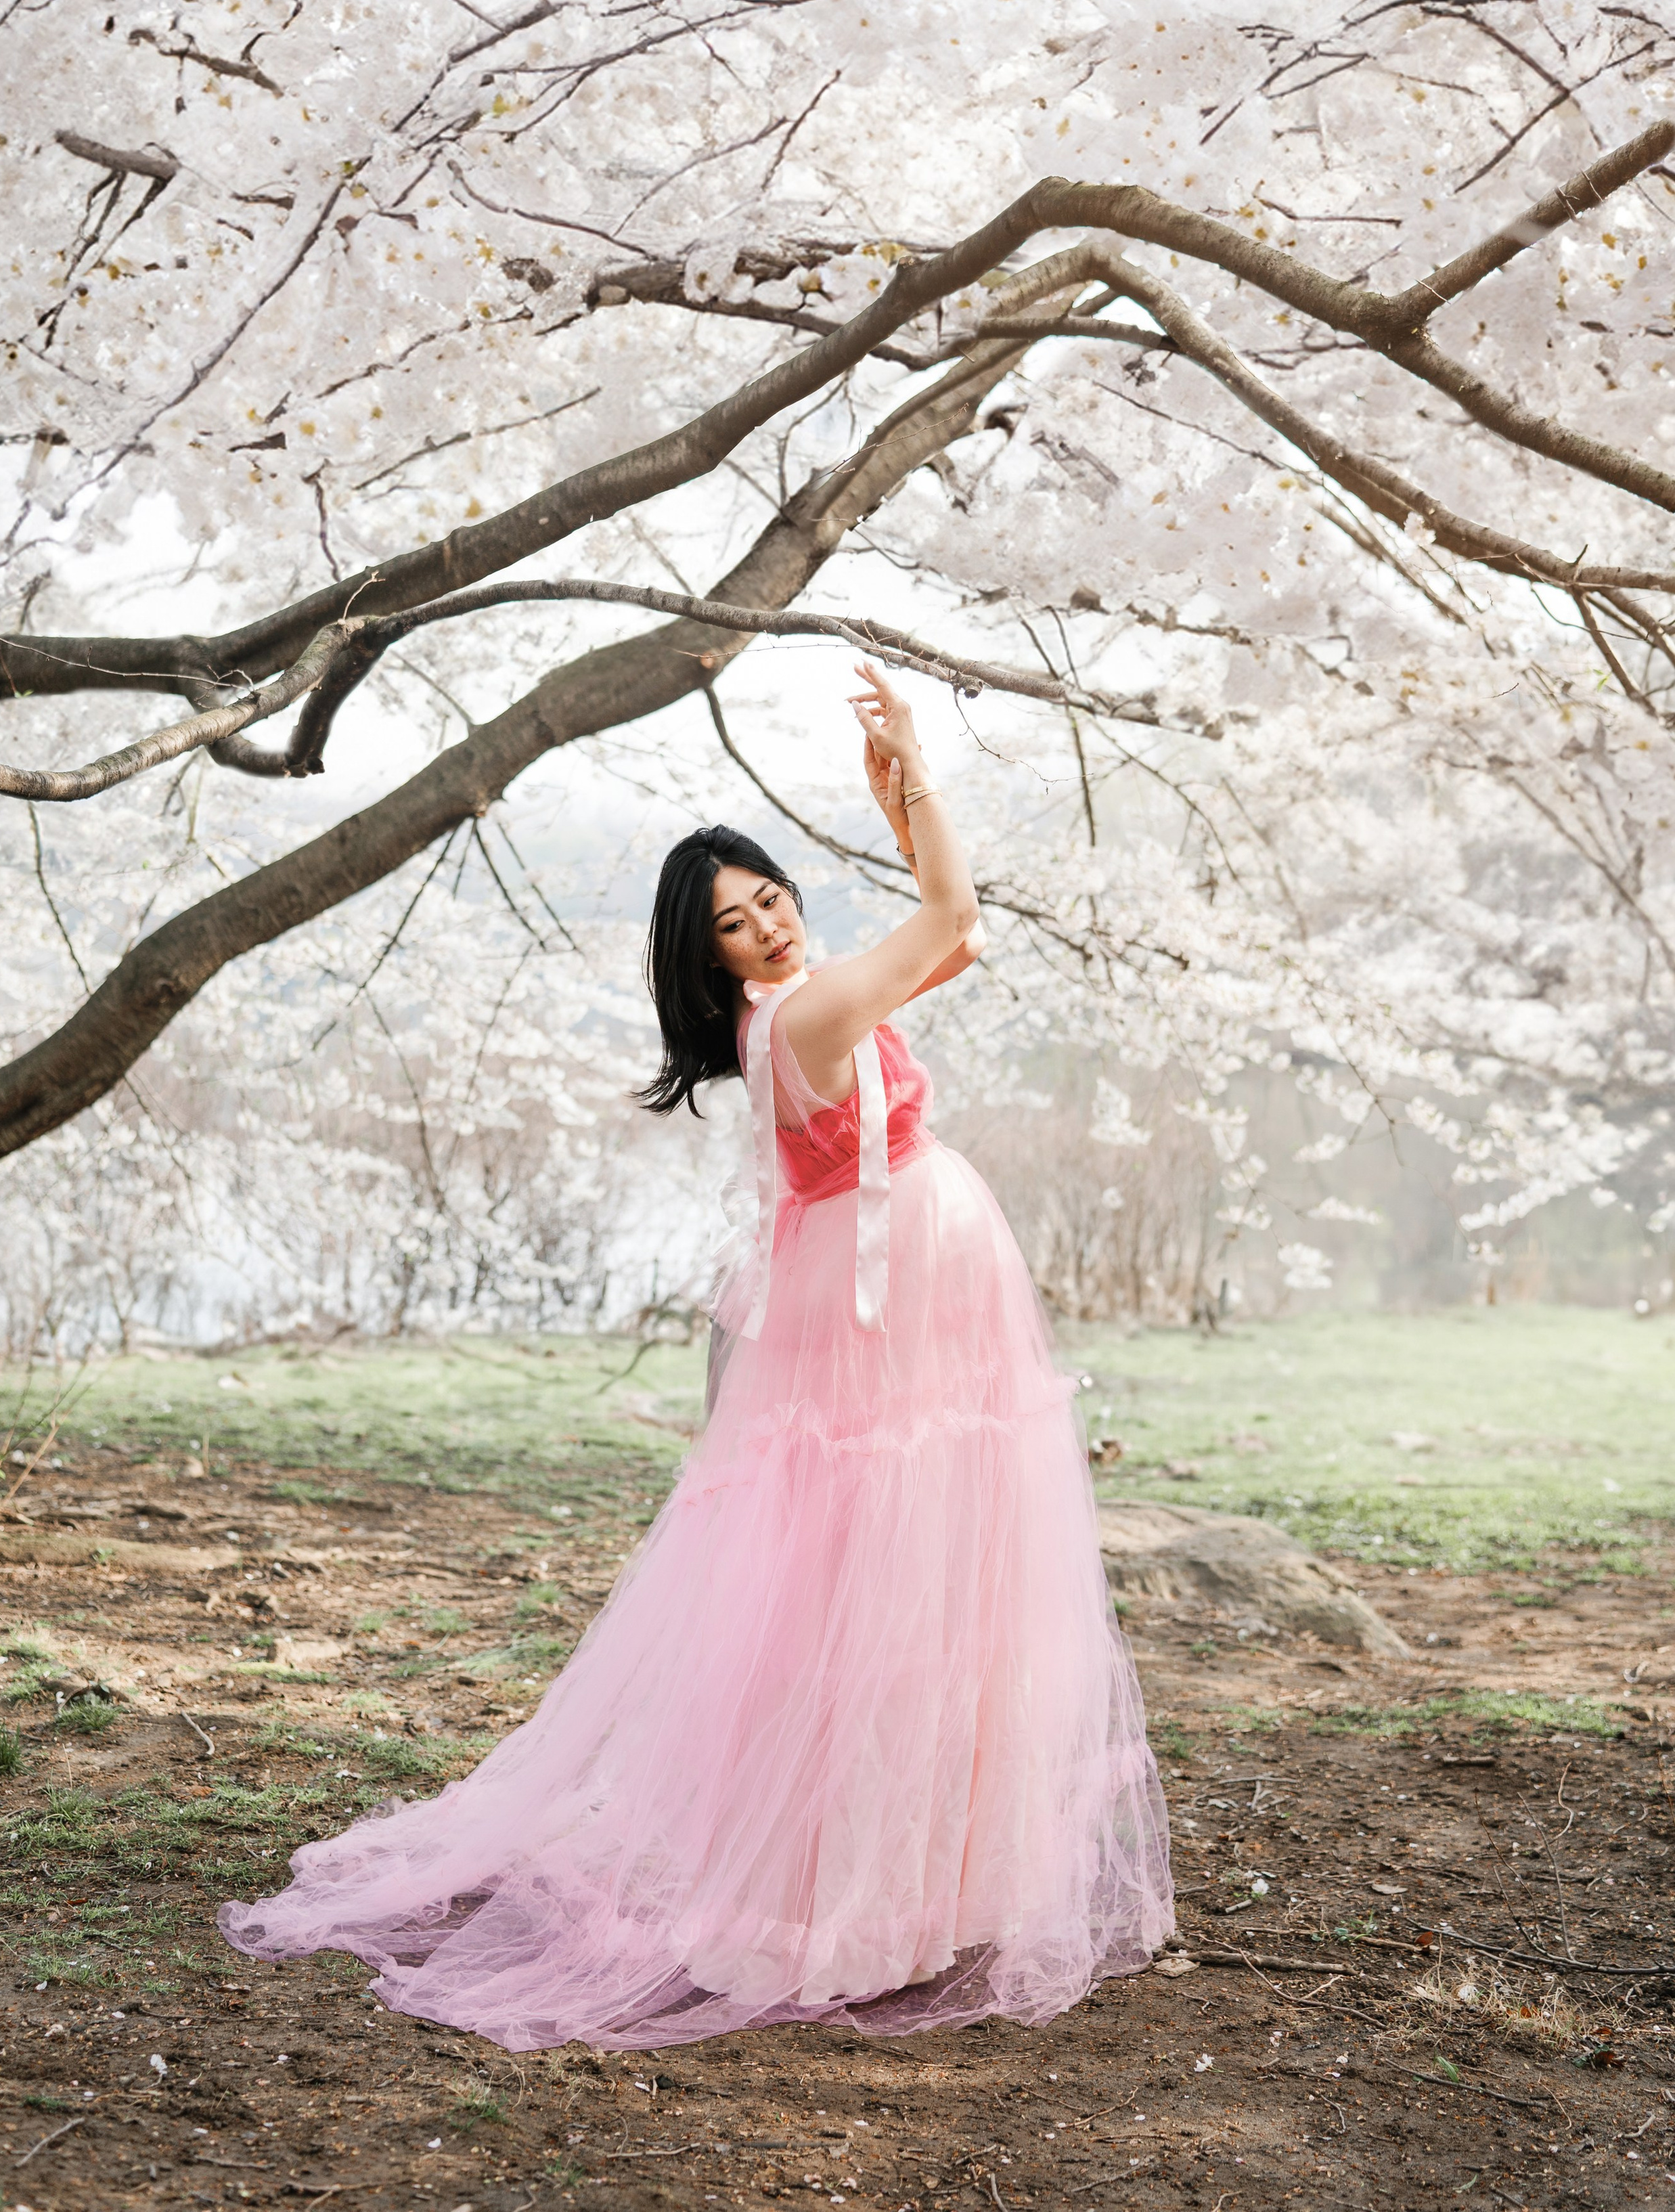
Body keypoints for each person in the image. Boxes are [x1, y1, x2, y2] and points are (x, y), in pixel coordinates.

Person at [218, 661, 1173, 2050]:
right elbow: (957, 920)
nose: (768, 925)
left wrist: (893, 804)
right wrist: (917, 772)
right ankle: (862, 1898)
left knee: (913, 1585)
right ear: (705, 955)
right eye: (734, 924)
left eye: (770, 897)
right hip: (896, 1299)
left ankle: (909, 1879)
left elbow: (943, 940)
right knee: (902, 1587)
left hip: (906, 1288)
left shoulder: (785, 1010)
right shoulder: (808, 1015)